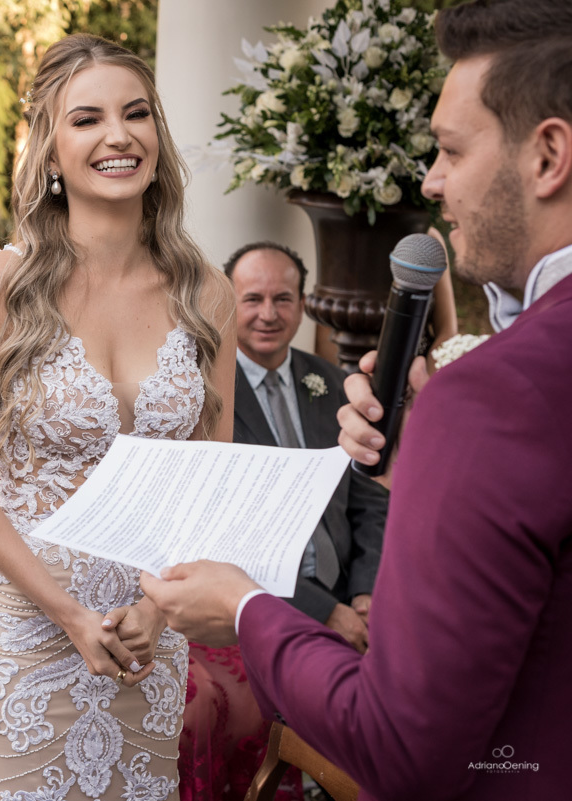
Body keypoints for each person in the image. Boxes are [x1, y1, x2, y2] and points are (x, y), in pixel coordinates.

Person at [139, 1, 572, 799]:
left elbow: (407, 748)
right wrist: (420, 476)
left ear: (548, 155)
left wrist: (244, 610)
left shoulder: (489, 396)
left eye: (448, 149)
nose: (431, 182)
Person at [0, 34, 236, 799]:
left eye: (136, 114)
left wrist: (158, 613)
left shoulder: (208, 294)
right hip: (24, 632)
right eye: (88, 119)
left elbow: (209, 477)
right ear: (51, 150)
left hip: (145, 638)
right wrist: (68, 612)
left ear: (158, 139)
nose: (118, 135)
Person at [224, 242, 387, 652]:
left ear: (301, 304)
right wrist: (323, 611)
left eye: (282, 299)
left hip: (348, 590)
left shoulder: (331, 381)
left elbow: (368, 500)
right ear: (226, 303)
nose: (268, 314)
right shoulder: (209, 393)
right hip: (264, 604)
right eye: (252, 299)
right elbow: (224, 532)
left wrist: (365, 592)